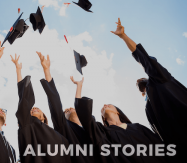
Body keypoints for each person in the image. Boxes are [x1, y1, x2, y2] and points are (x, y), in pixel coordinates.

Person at [111, 18, 187, 162]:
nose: (138, 81)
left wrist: (124, 37)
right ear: (142, 93)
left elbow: (145, 59)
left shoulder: (160, 79)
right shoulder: (148, 109)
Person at [73, 76, 169, 163]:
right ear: (103, 117)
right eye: (102, 108)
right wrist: (79, 86)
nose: (105, 105)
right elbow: (85, 116)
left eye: (108, 105)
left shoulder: (138, 127)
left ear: (117, 111)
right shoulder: (102, 132)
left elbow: (159, 145)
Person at [11, 53, 72, 163]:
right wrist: (18, 71)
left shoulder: (59, 132)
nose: (34, 108)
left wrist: (47, 70)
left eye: (37, 108)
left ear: (44, 117)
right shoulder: (27, 126)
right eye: (32, 109)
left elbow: (56, 104)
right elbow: (23, 99)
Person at [37, 55, 96, 162]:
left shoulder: (93, 129)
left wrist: (79, 86)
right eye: (65, 111)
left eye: (71, 108)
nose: (68, 108)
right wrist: (47, 70)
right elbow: (55, 102)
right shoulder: (64, 127)